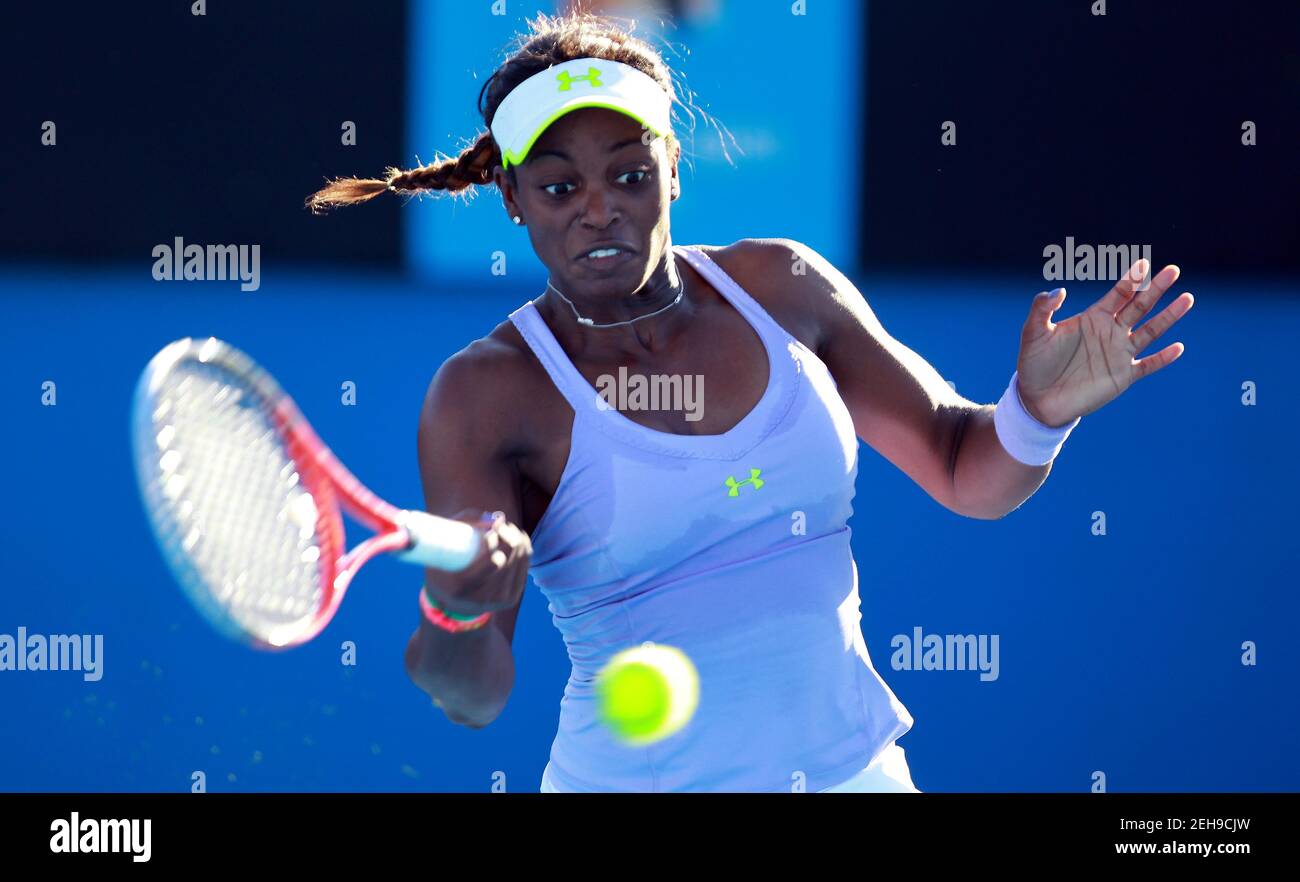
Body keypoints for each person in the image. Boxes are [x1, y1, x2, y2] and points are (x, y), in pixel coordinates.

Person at [305, 11, 1193, 793]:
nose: (599, 211)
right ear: (514, 201)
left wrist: (1037, 413)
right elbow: (473, 694)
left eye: (628, 173)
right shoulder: (486, 394)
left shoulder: (787, 285)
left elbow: (969, 471)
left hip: (856, 775)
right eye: (559, 186)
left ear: (673, 168)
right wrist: (458, 608)